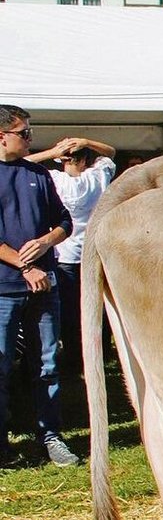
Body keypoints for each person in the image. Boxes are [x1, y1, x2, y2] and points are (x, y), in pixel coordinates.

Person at [0, 104, 78, 467]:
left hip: (45, 287)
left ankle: (50, 436)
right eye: (24, 133)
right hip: (6, 288)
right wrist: (25, 264)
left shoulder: (38, 175)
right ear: (2, 136)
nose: (31, 139)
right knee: (2, 365)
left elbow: (64, 220)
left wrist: (48, 241)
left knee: (47, 364)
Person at [26, 136, 116, 376]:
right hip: (95, 252)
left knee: (69, 311)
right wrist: (86, 140)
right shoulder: (98, 176)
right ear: (86, 159)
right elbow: (111, 151)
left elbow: (23, 162)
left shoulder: (54, 179)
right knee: (99, 307)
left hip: (65, 254)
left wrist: (52, 151)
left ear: (61, 160)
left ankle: (75, 358)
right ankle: (102, 354)